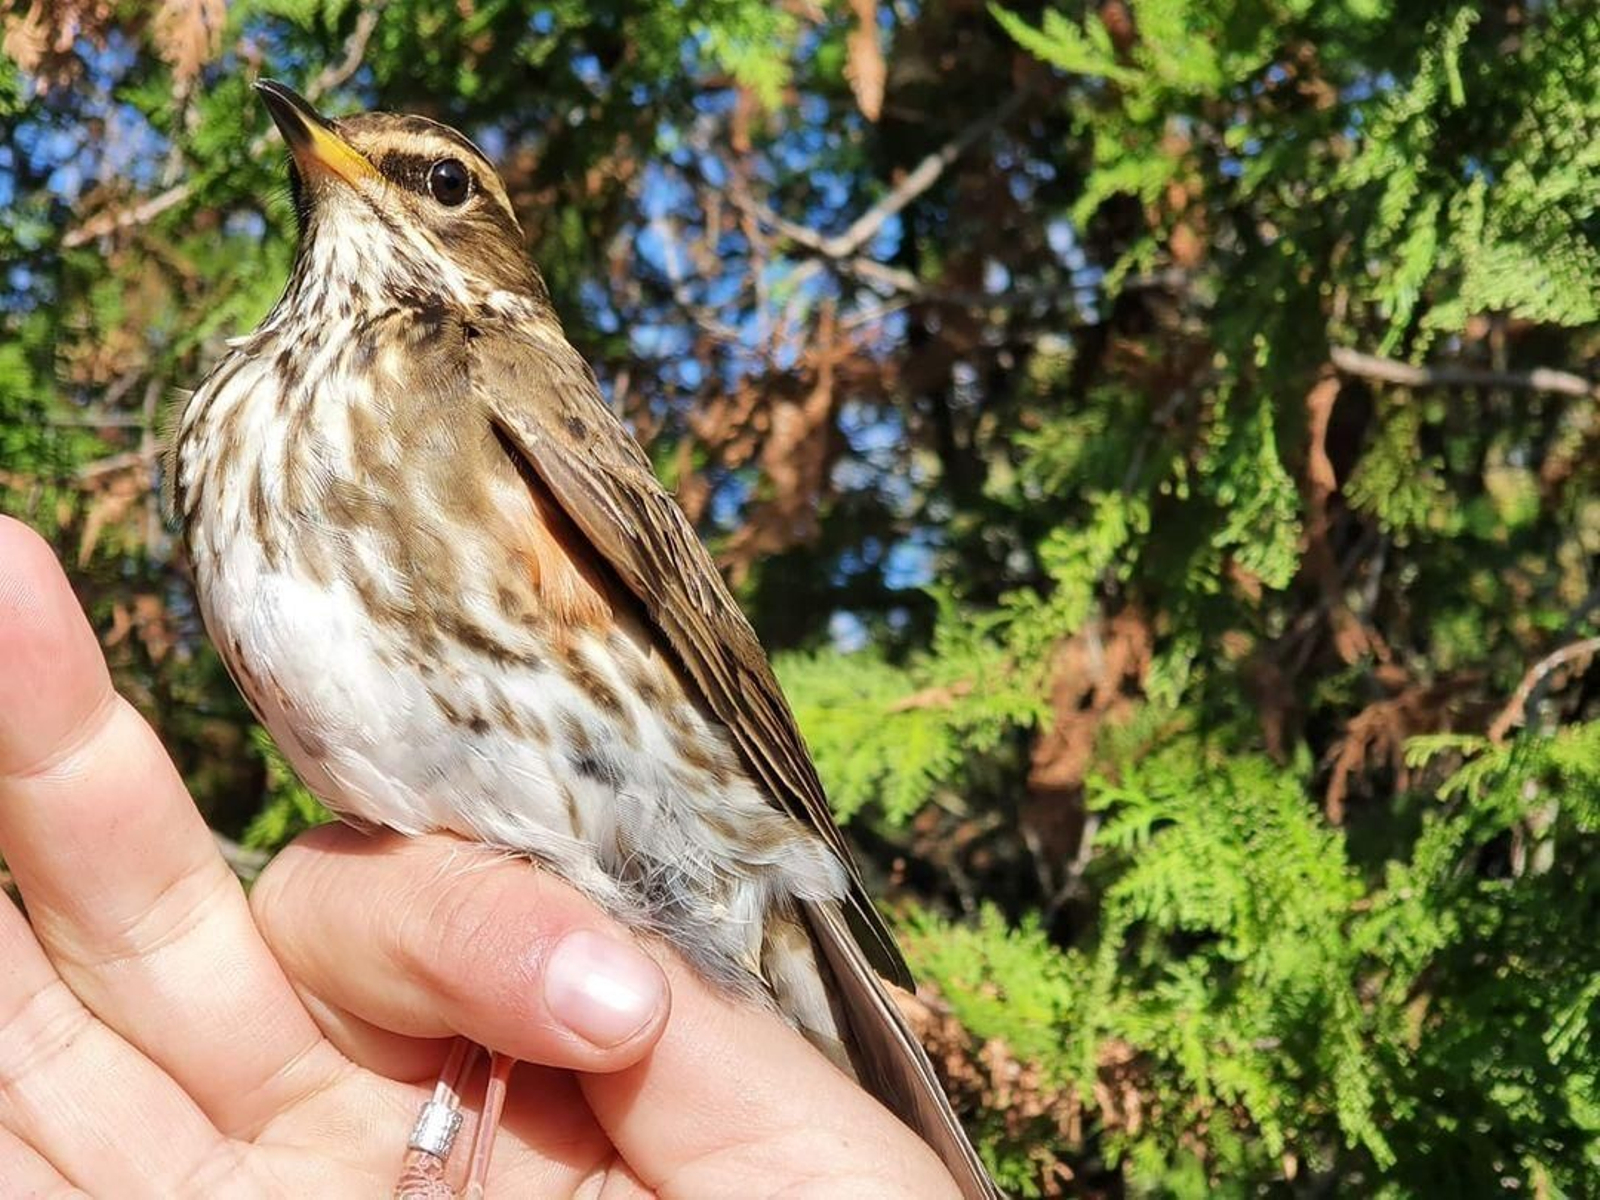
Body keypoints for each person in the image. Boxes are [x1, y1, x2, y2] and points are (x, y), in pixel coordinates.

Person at [0, 517, 959, 1197]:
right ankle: (445, 1145)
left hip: (702, 827)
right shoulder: (223, 437)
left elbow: (706, 642)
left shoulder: (482, 370)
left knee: (528, 947)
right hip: (548, 938)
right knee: (511, 944)